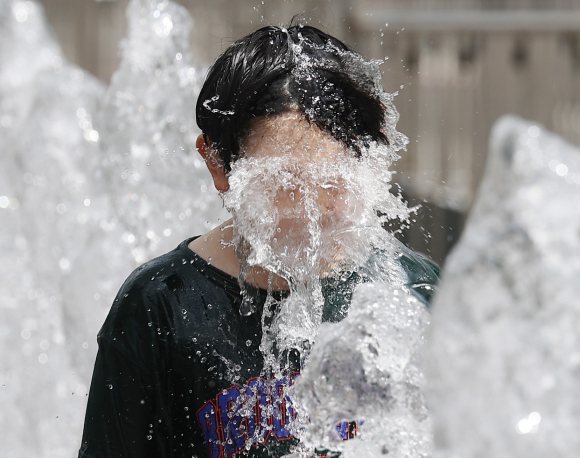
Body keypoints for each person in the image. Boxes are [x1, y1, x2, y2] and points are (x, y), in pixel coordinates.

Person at [78, 24, 440, 458]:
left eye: (335, 182)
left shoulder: (412, 292)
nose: (312, 212)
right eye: (283, 184)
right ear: (217, 164)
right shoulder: (162, 308)